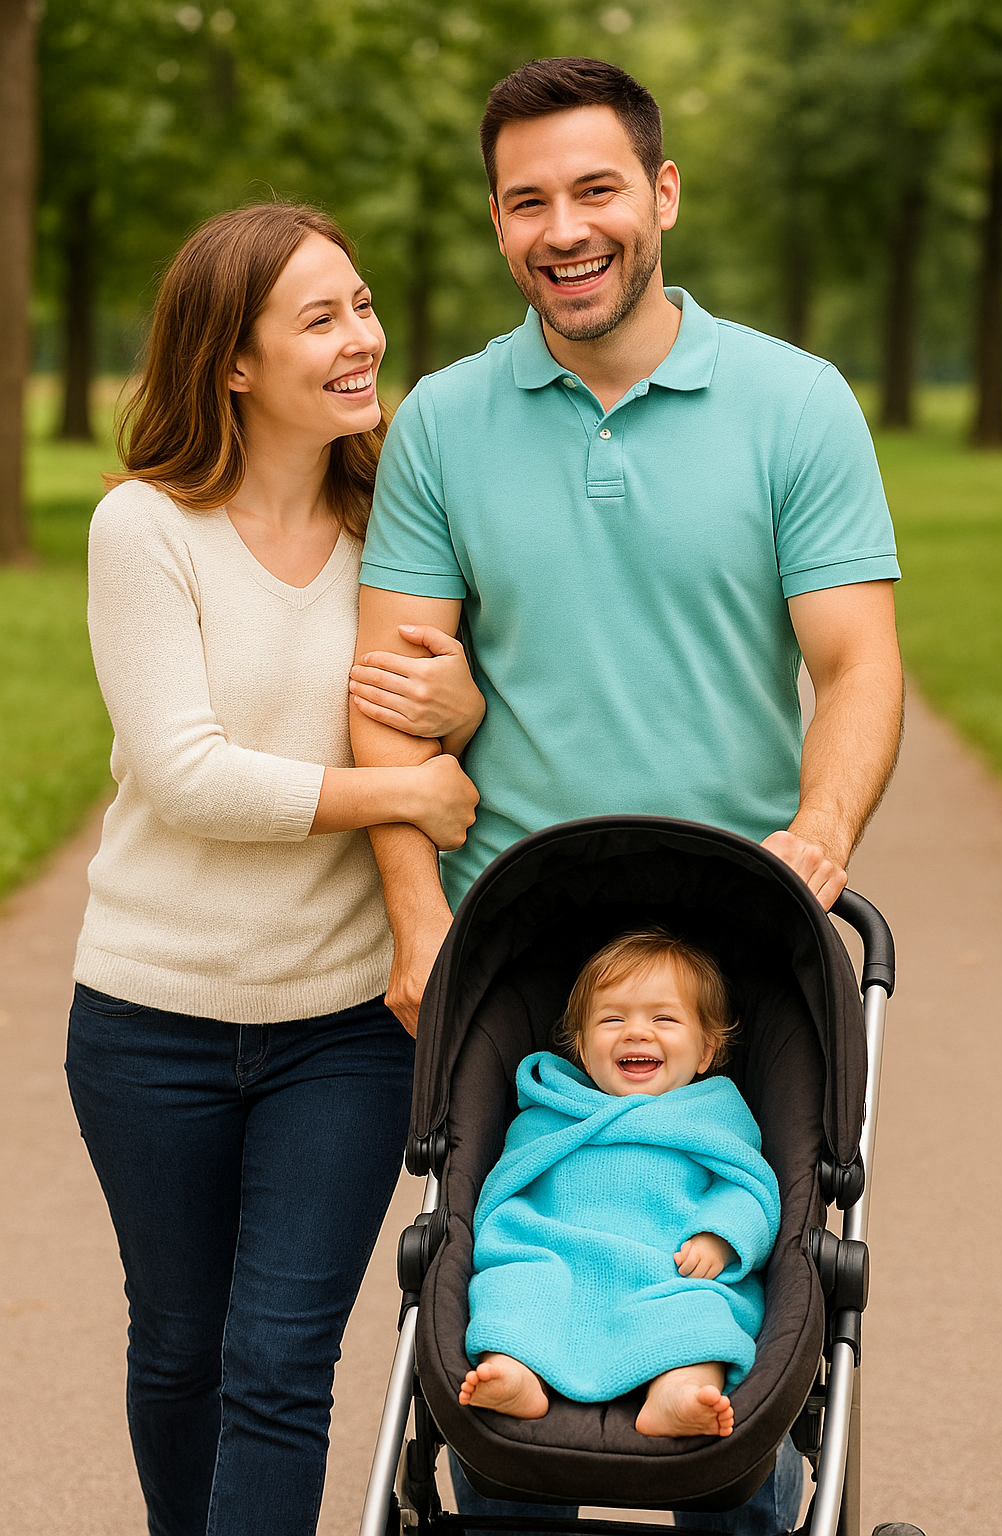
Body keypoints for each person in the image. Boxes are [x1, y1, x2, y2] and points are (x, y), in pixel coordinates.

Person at [349, 56, 904, 1535]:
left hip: (740, 915)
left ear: (660, 192)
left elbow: (856, 665)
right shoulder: (446, 424)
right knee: (500, 1274)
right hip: (526, 937)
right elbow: (392, 703)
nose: (563, 228)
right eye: (527, 201)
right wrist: (419, 925)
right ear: (497, 222)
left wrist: (820, 841)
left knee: (746, 1259)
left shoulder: (795, 402)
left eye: (595, 188)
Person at [65, 202, 484, 1536]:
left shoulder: (398, 530)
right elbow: (188, 776)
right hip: (150, 1020)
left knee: (281, 1364)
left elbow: (451, 716)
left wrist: (460, 719)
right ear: (230, 361)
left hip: (343, 1029)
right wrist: (403, 785)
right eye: (321, 318)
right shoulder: (146, 529)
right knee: (181, 1345)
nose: (363, 339)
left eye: (363, 306)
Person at [458, 929, 781, 1442]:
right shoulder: (552, 1111)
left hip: (668, 1269)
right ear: (583, 1050)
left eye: (664, 1018)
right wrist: (518, 1236)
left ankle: (678, 1389)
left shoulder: (713, 1116)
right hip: (556, 1259)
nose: (636, 1033)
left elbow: (749, 1187)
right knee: (516, 1289)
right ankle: (514, 1369)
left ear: (706, 1051)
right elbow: (506, 1189)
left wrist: (720, 1234)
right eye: (613, 1019)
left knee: (698, 1313)